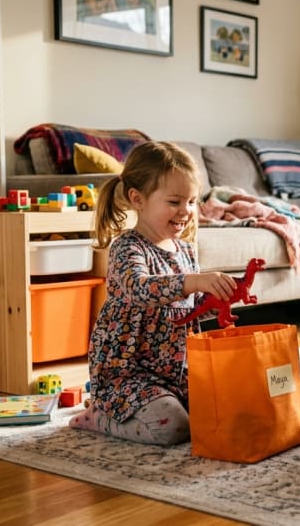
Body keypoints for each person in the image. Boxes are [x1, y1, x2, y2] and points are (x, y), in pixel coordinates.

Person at [69, 141, 237, 445]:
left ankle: (133, 410)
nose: (185, 211)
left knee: (230, 402)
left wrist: (217, 301)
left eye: (191, 201)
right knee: (173, 427)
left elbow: (191, 305)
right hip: (128, 375)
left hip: (177, 373)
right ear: (138, 199)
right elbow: (138, 288)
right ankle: (101, 414)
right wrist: (195, 282)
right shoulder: (127, 247)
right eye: (174, 202)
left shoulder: (185, 249)